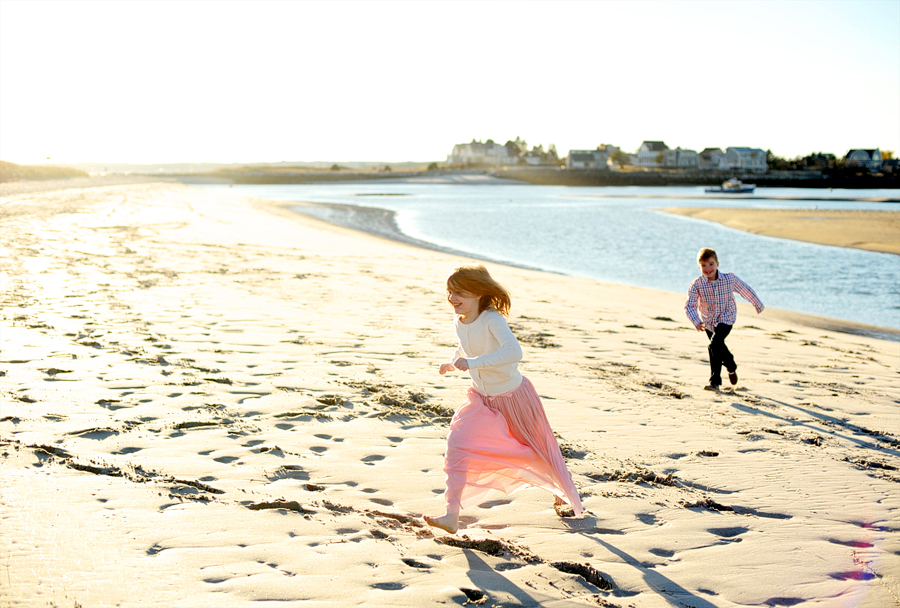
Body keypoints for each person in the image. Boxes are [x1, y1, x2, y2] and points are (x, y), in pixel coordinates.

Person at [424, 264, 582, 534]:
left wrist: (474, 363)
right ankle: (452, 515)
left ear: (478, 294)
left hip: (513, 398)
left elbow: (513, 352)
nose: (452, 298)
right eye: (450, 292)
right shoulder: (459, 321)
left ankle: (562, 490)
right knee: (457, 444)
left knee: (539, 450)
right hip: (481, 400)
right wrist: (453, 362)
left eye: (459, 292)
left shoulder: (492, 319)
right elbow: (466, 344)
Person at [685, 248, 764, 392]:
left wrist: (757, 304)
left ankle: (715, 381)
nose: (708, 268)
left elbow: (745, 290)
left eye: (711, 264)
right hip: (708, 321)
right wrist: (696, 321)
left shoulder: (729, 279)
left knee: (714, 345)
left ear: (717, 264)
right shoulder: (697, 284)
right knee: (717, 347)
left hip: (727, 318)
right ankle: (730, 367)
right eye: (704, 265)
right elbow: (689, 305)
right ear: (699, 267)